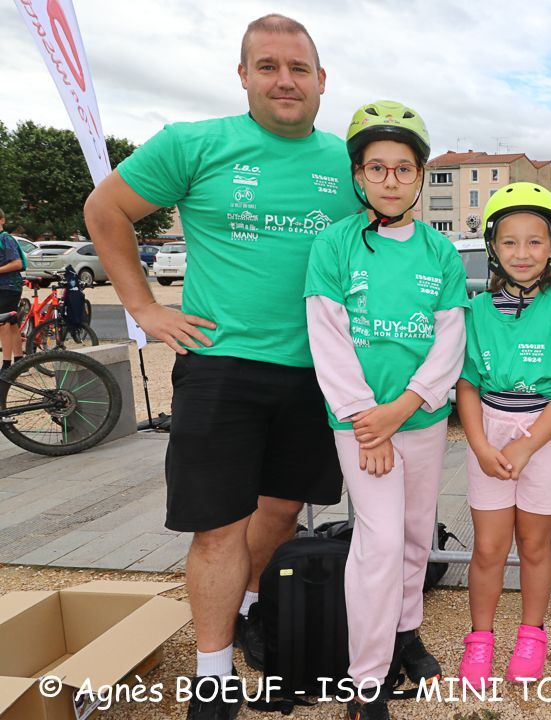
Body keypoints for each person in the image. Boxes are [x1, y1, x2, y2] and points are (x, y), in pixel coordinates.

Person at [83, 15, 359, 719]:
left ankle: (254, 608)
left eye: (298, 68)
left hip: (316, 372)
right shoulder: (194, 144)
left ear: (321, 80)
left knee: (282, 511)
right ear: (243, 76)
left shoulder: (349, 161)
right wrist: (143, 307)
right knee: (218, 526)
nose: (284, 80)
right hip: (222, 365)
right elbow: (105, 209)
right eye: (267, 66)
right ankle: (213, 677)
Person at [305, 100, 468, 720]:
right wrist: (367, 421)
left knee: (415, 533)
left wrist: (404, 408)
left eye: (403, 168)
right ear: (358, 175)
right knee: (377, 542)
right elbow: (328, 337)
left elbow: (448, 340)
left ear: (420, 175)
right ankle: (366, 678)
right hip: (361, 425)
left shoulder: (440, 252)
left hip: (418, 420)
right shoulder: (334, 245)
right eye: (377, 168)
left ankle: (405, 633)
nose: (391, 180)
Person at [455, 183, 551, 687]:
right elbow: (468, 384)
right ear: (493, 247)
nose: (522, 253)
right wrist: (480, 444)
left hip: (546, 434)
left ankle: (532, 634)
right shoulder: (476, 311)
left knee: (535, 546)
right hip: (490, 433)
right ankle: (480, 637)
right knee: (489, 548)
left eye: (535, 241)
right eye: (510, 241)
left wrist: (527, 443)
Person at [0, 209, 25, 370]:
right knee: (12, 323)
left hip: (9, 286)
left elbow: (17, 263)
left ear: (2, 220)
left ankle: (7, 365)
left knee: (3, 323)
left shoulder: (5, 238)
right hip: (4, 286)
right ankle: (20, 362)